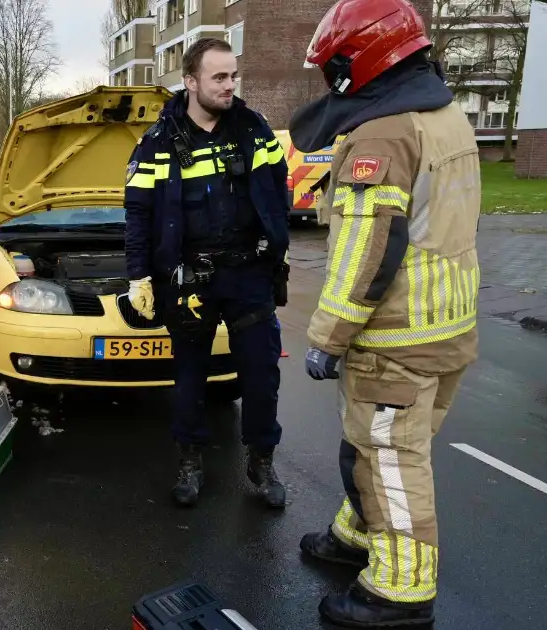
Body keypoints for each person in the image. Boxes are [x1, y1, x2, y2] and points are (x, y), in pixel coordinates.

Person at [290, 1, 481, 625]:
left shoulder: (384, 131)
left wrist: (328, 338)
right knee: (380, 445)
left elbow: (369, 247)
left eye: (336, 68)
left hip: (395, 334)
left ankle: (399, 590)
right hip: (448, 322)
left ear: (362, 59)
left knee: (392, 460)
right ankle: (356, 537)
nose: (332, 82)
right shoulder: (444, 114)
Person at [123, 38, 290, 508]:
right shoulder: (157, 143)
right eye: (219, 77)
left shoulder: (255, 129)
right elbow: (138, 215)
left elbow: (279, 192)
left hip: (249, 275)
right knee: (190, 377)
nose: (229, 85)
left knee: (262, 376)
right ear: (190, 81)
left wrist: (276, 248)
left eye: (233, 75)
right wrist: (140, 278)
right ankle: (190, 460)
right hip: (189, 280)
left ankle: (261, 460)